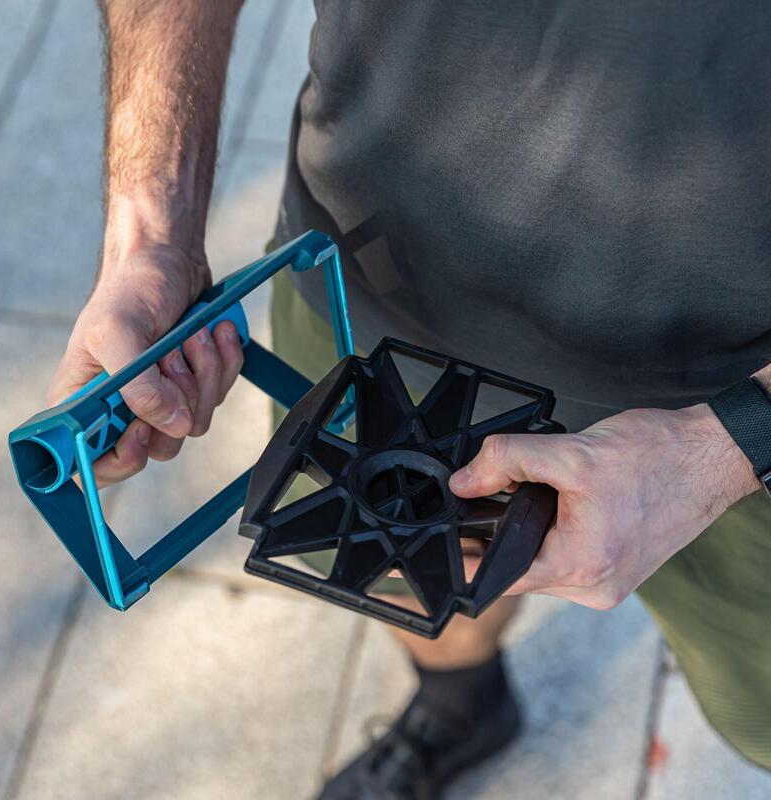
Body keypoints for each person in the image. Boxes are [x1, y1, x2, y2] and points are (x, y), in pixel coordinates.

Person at [49, 1, 771, 797]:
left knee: (762, 713)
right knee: (396, 578)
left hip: (733, 398)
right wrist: (152, 230)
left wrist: (730, 443)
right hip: (365, 304)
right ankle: (461, 708)